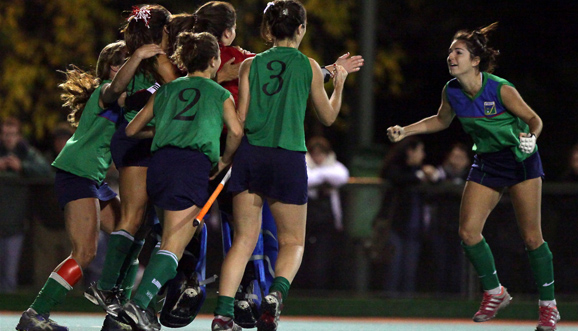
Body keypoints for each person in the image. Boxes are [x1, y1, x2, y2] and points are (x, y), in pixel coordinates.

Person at [387, 22, 559, 331]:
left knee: (532, 237)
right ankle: (495, 292)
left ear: (475, 60)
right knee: (467, 233)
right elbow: (440, 120)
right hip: (488, 162)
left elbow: (534, 119)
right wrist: (406, 130)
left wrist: (531, 138)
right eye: (450, 51)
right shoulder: (451, 91)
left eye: (458, 51)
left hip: (520, 160)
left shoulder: (500, 88)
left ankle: (548, 307)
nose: (451, 56)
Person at [211, 1, 348, 330]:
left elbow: (240, 122)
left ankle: (222, 314)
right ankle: (275, 296)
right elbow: (328, 117)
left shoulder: (249, 66)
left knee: (243, 239)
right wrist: (339, 82)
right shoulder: (310, 66)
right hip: (287, 158)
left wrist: (226, 159)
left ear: (268, 30)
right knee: (293, 242)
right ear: (301, 29)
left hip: (250, 155)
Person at [115, 31, 243, 331]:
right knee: (175, 242)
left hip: (159, 167)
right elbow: (236, 132)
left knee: (168, 239)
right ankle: (138, 305)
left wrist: (164, 133)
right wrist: (225, 160)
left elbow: (132, 130)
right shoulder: (219, 93)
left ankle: (142, 307)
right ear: (214, 60)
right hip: (191, 168)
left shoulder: (168, 89)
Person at [15, 40, 128, 331]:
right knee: (85, 252)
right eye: (126, 61)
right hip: (77, 173)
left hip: (94, 176)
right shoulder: (108, 90)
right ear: (113, 67)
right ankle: (35, 314)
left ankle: (119, 316)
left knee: (127, 238)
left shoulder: (125, 94)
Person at [83, 4, 177, 324]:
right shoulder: (151, 61)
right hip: (141, 143)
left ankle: (118, 294)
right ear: (163, 30)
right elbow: (114, 92)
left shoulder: (154, 60)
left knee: (144, 224)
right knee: (137, 218)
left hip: (142, 142)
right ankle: (109, 286)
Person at [377, 136, 438, 294]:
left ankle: (407, 309)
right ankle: (389, 309)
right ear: (410, 151)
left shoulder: (419, 171)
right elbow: (394, 176)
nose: (423, 155)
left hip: (415, 229)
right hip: (395, 227)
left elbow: (437, 182)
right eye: (420, 150)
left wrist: (433, 176)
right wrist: (420, 176)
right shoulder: (396, 168)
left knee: (409, 273)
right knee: (393, 270)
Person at [0, 117, 51, 294]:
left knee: (9, 276)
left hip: (16, 224)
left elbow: (46, 169)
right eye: (5, 134)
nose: (8, 138)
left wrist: (22, 166)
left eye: (12, 134)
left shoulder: (27, 153)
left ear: (19, 136)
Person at [297, 136, 349, 290]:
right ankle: (302, 290)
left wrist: (319, 176)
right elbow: (305, 179)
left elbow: (342, 176)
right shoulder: (303, 163)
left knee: (324, 258)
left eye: (321, 153)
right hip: (306, 221)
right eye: (315, 153)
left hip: (327, 222)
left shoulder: (334, 165)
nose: (318, 157)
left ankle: (320, 289)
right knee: (304, 256)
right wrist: (323, 178)